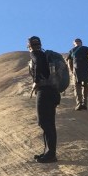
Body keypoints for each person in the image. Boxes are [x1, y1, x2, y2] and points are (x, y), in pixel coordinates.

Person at [27, 35, 64, 163]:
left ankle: (50, 154)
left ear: (29, 46)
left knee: (44, 122)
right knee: (49, 122)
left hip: (44, 91)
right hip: (53, 91)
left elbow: (38, 65)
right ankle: (47, 152)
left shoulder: (35, 54)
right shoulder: (45, 54)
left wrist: (36, 81)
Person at [67, 38, 88, 110]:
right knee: (85, 84)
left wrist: (72, 70)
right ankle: (84, 103)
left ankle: (79, 103)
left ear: (74, 43)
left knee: (77, 85)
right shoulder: (84, 48)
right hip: (86, 67)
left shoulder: (72, 50)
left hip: (77, 68)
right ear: (81, 43)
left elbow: (69, 62)